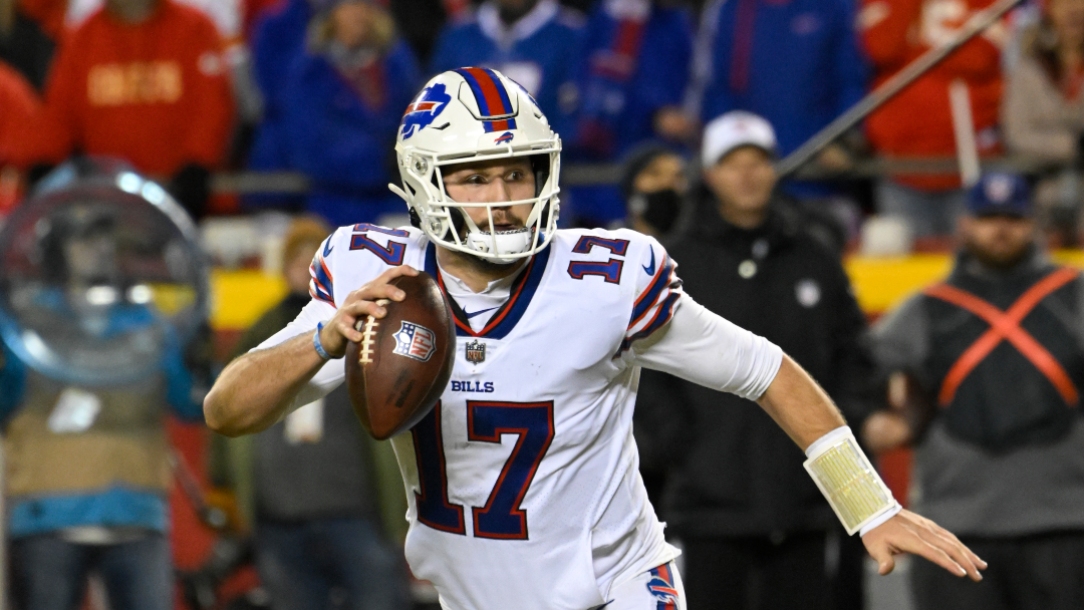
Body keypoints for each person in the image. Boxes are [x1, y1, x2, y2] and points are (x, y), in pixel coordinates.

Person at [203, 68, 986, 610]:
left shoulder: (603, 277)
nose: (503, 199)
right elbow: (227, 411)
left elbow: (764, 369)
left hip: (619, 588)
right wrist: (324, 341)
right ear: (422, 182)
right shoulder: (376, 281)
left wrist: (869, 505)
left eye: (518, 172)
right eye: (475, 176)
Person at [636, 111, 877, 610]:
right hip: (707, 508)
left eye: (759, 162)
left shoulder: (814, 257)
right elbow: (645, 370)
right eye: (732, 163)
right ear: (709, 174)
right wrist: (682, 449)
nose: (747, 175)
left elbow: (852, 356)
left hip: (807, 501)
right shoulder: (676, 263)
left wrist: (843, 429)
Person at [867, 172, 1084, 610]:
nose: (1000, 229)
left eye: (1012, 217)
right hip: (954, 525)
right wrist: (877, 418)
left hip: (1065, 518)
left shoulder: (1074, 294)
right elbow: (855, 373)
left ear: (1033, 225)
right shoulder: (923, 307)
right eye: (988, 217)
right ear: (964, 224)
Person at [0, 206, 204, 610]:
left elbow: (190, 405)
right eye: (84, 239)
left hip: (136, 515)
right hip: (49, 516)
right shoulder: (26, 324)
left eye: (105, 238)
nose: (98, 249)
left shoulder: (149, 324)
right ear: (60, 249)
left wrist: (200, 356)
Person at [211, 216, 409, 609]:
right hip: (279, 513)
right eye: (295, 259)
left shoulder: (368, 322)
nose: (303, 269)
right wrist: (224, 485)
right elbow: (228, 407)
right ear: (282, 268)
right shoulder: (260, 329)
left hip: (357, 508)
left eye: (311, 258)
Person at [25, 0, 234, 219]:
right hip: (107, 210)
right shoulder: (82, 39)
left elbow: (213, 111)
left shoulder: (195, 29)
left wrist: (197, 166)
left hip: (188, 206)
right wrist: (45, 164)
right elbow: (56, 120)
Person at [692, 0, 868, 199]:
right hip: (749, 170)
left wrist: (843, 140)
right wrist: (723, 149)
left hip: (816, 168)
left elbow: (850, 79)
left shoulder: (834, 6)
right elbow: (718, 86)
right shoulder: (732, 8)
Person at [860, 0, 1004, 238]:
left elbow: (981, 56)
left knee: (971, 263)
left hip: (969, 165)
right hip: (899, 165)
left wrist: (916, 46)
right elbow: (880, 47)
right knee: (904, 268)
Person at [276, 0, 421, 226]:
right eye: (349, 6)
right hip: (335, 205)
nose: (358, 15)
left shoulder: (397, 63)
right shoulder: (310, 72)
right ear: (331, 15)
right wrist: (382, 157)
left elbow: (418, 119)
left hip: (397, 201)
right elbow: (308, 147)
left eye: (365, 6)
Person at [567, 0, 695, 227]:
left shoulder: (675, 22)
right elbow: (583, 89)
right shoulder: (601, 18)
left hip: (655, 162)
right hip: (594, 168)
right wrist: (651, 111)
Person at [428, 0, 585, 141]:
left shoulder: (573, 35)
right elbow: (435, 115)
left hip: (550, 163)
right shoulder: (458, 35)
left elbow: (579, 122)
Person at [1002, 0, 1084, 242]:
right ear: (1049, 12)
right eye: (1063, 4)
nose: (1074, 10)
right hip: (1042, 187)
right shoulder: (1029, 68)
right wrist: (1073, 146)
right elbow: (1017, 133)